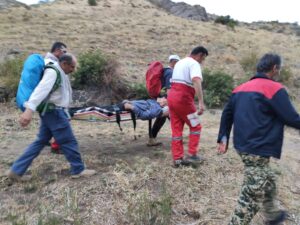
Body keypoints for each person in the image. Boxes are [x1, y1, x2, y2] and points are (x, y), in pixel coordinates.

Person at [217, 53, 300, 225]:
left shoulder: (239, 88)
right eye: (279, 69)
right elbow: (291, 118)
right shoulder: (274, 89)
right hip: (258, 149)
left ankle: (273, 214)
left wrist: (223, 136)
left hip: (242, 146)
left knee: (267, 177)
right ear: (275, 68)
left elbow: (227, 114)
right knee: (251, 197)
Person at [7, 53, 96, 181]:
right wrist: (29, 110)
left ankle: (16, 171)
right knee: (69, 141)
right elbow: (40, 90)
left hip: (51, 113)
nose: (73, 70)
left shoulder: (58, 71)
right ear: (64, 63)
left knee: (40, 141)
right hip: (54, 113)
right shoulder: (54, 72)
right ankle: (78, 169)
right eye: (72, 67)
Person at [167, 46, 208, 167]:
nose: (202, 61)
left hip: (172, 98)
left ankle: (177, 159)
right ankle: (192, 155)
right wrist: (200, 102)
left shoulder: (179, 63)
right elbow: (196, 81)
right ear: (199, 55)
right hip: (183, 99)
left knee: (176, 129)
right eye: (203, 58)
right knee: (196, 125)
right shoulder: (194, 63)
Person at [148, 54, 180, 146]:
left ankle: (152, 138)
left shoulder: (165, 71)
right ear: (174, 62)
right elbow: (169, 89)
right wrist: (170, 101)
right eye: (178, 63)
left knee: (162, 118)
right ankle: (177, 138)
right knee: (173, 117)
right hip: (165, 99)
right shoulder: (170, 72)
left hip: (160, 97)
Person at [44, 42, 68, 153]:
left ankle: (45, 141)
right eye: (64, 51)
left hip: (49, 102)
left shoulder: (48, 61)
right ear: (58, 50)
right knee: (61, 124)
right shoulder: (51, 63)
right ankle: (56, 146)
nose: (65, 54)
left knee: (48, 127)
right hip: (53, 102)